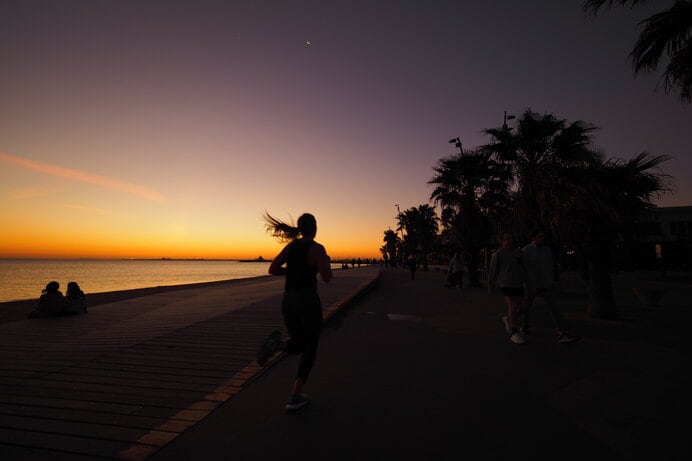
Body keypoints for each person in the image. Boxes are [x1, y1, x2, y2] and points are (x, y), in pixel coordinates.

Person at [257, 212, 333, 411]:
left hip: (288, 301)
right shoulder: (317, 249)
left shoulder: (291, 247)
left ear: (300, 229)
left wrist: (291, 271)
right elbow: (327, 277)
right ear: (315, 228)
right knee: (310, 347)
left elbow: (272, 269)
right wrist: (324, 261)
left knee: (299, 344)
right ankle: (294, 396)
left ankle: (277, 346)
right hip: (307, 301)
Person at [522, 229, 580, 344]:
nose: (542, 239)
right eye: (540, 236)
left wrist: (553, 281)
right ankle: (524, 325)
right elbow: (524, 269)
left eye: (543, 237)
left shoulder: (547, 250)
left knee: (554, 308)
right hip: (532, 285)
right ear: (534, 238)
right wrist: (528, 284)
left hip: (545, 284)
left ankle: (561, 332)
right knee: (527, 307)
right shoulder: (526, 250)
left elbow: (550, 266)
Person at [487, 232, 528, 344]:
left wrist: (527, 281)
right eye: (507, 238)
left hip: (518, 284)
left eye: (511, 238)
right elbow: (492, 271)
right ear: (502, 241)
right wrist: (491, 284)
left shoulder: (520, 253)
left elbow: (525, 267)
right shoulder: (498, 254)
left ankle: (509, 319)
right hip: (505, 284)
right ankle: (514, 332)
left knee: (523, 306)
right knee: (512, 305)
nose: (510, 240)